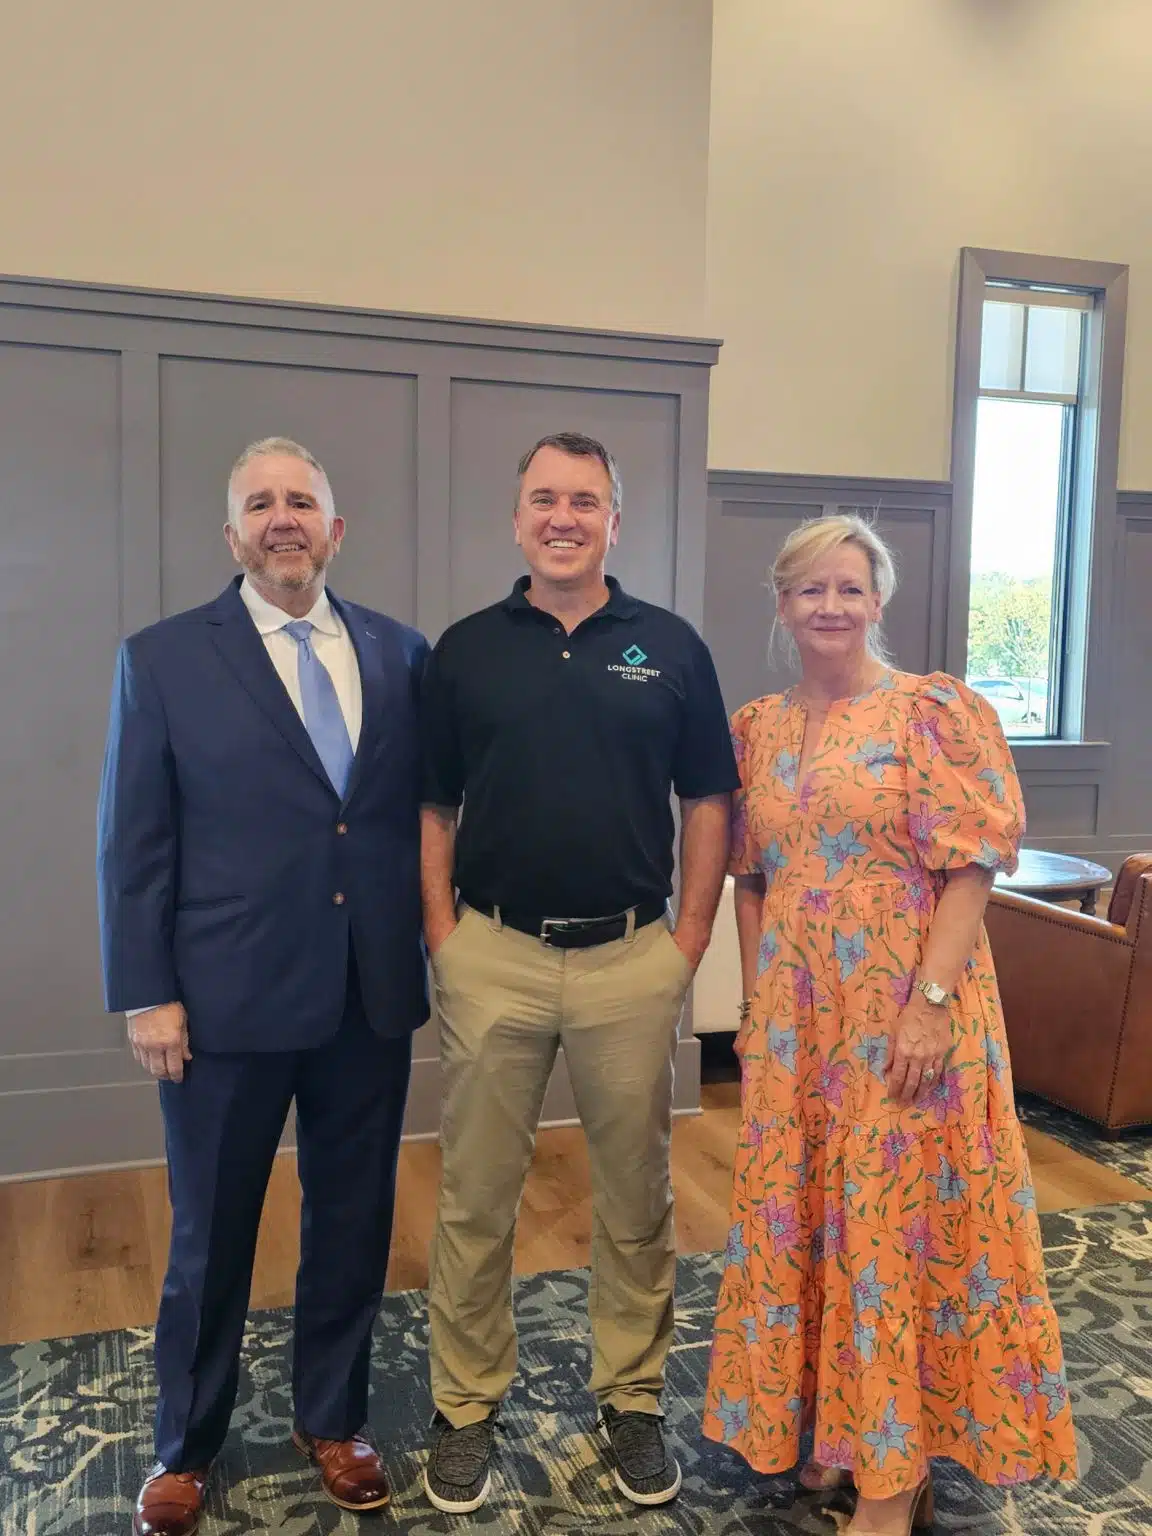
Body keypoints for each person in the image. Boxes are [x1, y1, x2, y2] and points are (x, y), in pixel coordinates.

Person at [702, 515, 1078, 1535]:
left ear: (878, 600)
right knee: (814, 1215)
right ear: (782, 604)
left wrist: (929, 1006)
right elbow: (752, 877)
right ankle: (839, 1429)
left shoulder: (932, 711)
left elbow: (972, 868)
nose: (830, 606)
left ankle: (893, 1472)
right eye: (810, 589)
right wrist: (756, 1009)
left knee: (890, 1227)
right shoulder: (757, 728)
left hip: (908, 1009)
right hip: (801, 1020)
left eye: (849, 589)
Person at [97, 437, 428, 1536]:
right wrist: (146, 991)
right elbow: (133, 842)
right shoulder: (162, 659)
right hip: (222, 1001)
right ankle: (185, 1444)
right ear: (232, 533)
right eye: (260, 503)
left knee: (354, 1219)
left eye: (301, 501)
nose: (283, 518)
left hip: (367, 994)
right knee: (210, 1233)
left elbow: (411, 817)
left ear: (336, 529)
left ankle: (333, 1419)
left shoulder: (402, 653)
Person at [419, 431, 738, 1513]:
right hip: (493, 956)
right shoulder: (464, 651)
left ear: (614, 520)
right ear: (517, 519)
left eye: (585, 500)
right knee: (475, 1196)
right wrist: (443, 935)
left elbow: (709, 800)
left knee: (637, 1195)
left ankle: (632, 1400)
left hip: (632, 960)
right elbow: (432, 805)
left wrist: (688, 942)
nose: (564, 517)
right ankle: (465, 1409)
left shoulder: (671, 647)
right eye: (545, 499)